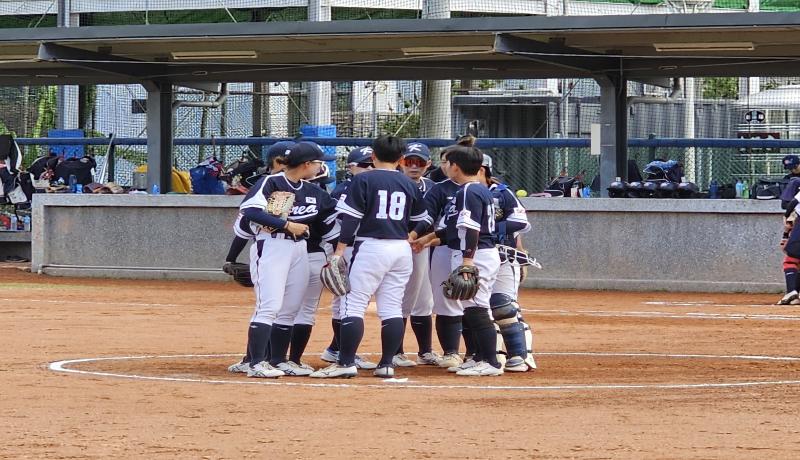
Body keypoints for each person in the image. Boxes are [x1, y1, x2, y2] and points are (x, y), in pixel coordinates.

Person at [310, 135, 431, 379]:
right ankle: (386, 363)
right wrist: (412, 236)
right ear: (401, 159)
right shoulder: (410, 183)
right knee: (392, 307)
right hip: (400, 249)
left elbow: (352, 218)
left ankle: (345, 363)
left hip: (371, 247)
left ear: (373, 157)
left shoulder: (363, 179)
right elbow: (424, 219)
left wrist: (340, 250)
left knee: (352, 304)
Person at [238, 141, 339, 378]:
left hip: (299, 249)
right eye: (318, 163)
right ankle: (255, 363)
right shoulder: (271, 182)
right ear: (306, 164)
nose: (321, 167)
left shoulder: (313, 191)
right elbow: (250, 210)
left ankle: (278, 360)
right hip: (272, 245)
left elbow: (331, 223)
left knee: (290, 308)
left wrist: (339, 254)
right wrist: (286, 224)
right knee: (269, 305)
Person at [412, 144, 503, 376]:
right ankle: (479, 357)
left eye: (448, 163)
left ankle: (490, 362)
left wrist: (467, 262)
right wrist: (427, 239)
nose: (447, 167)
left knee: (477, 308)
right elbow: (453, 228)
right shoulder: (479, 189)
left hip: (477, 254)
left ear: (455, 167)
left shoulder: (467, 192)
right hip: (477, 252)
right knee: (471, 307)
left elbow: (471, 230)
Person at [319, 146, 378, 370]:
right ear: (351, 168)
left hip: (361, 248)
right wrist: (338, 253)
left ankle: (337, 348)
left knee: (347, 300)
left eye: (372, 164)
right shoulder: (344, 189)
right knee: (345, 300)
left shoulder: (373, 186)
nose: (370, 168)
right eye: (365, 165)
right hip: (345, 248)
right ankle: (340, 351)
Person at [477, 154, 536, 372]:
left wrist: (490, 231)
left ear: (483, 170)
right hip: (476, 257)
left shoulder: (501, 193)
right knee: (480, 309)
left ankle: (522, 355)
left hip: (503, 256)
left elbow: (521, 223)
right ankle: (492, 354)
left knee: (504, 305)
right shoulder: (463, 192)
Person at [394, 142, 438, 367]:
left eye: (419, 162)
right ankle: (395, 351)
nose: (413, 166)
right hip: (398, 245)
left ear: (428, 164)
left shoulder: (432, 186)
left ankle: (425, 351)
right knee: (403, 297)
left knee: (424, 299)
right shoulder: (393, 182)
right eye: (409, 161)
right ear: (401, 161)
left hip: (424, 246)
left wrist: (425, 238)